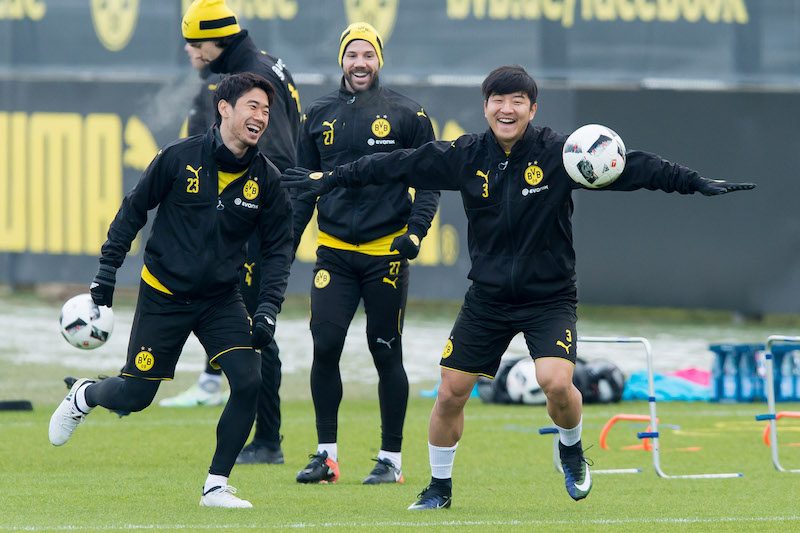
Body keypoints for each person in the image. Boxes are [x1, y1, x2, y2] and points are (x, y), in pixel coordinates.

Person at [281, 65, 756, 509]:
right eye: (497, 100)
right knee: (450, 392)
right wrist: (330, 178)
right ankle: (439, 487)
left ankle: (571, 448)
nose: (506, 109)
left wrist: (692, 181)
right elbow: (395, 164)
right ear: (486, 106)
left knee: (556, 383)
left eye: (517, 101)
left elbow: (632, 167)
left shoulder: (560, 154)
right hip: (487, 299)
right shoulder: (465, 156)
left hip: (548, 297)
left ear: (533, 109)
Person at [49, 72, 294, 509]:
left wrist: (268, 307)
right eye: (252, 106)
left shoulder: (268, 180)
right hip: (163, 295)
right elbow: (134, 209)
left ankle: (215, 486)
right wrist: (106, 271)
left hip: (221, 299)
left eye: (266, 110)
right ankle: (85, 394)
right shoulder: (178, 157)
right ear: (224, 108)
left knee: (248, 380)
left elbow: (278, 250)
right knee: (135, 396)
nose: (261, 117)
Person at [291, 22, 440, 485]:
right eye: (352, 54)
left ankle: (391, 459)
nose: (360, 63)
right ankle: (326, 457)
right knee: (325, 345)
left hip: (385, 255)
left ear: (379, 60)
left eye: (368, 55)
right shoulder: (317, 114)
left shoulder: (408, 114)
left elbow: (430, 182)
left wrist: (415, 232)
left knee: (385, 351)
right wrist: (284, 245)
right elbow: (303, 188)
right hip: (334, 254)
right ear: (342, 60)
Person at [167, 0, 303, 465]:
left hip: (259, 222)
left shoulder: (252, 81)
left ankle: (267, 440)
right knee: (246, 321)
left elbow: (278, 157)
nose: (190, 51)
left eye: (195, 43)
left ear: (218, 41)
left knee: (256, 325)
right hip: (260, 218)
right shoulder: (262, 65)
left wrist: (248, 217)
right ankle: (262, 434)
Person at [157, 42, 230, 409]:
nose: (187, 49)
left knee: (220, 297)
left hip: (222, 212)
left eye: (195, 42)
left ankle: (213, 381)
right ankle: (211, 380)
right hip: (206, 209)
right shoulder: (207, 85)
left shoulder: (223, 86)